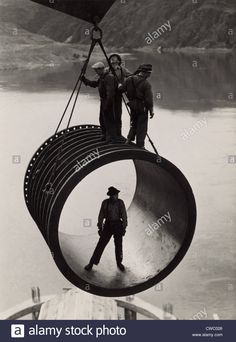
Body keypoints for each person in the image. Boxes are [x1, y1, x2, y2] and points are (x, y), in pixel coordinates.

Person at [84, 186, 128, 272]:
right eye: (114, 195)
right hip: (108, 225)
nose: (116, 196)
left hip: (118, 225)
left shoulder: (120, 202)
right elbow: (101, 215)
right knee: (100, 245)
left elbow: (124, 216)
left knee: (119, 245)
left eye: (116, 195)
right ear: (110, 196)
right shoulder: (105, 203)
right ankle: (91, 263)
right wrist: (100, 227)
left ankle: (119, 263)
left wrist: (124, 227)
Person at [119, 64, 155, 148]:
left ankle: (129, 139)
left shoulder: (129, 79)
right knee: (142, 126)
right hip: (142, 107)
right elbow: (149, 100)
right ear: (145, 73)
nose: (150, 75)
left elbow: (121, 90)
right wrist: (151, 111)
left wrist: (119, 85)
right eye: (149, 73)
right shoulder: (146, 84)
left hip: (132, 105)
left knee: (134, 123)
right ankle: (140, 145)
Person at [81, 62, 117, 143]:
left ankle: (110, 138)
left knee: (108, 120)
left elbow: (110, 93)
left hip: (108, 101)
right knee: (102, 119)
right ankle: (105, 135)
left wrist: (107, 105)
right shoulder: (102, 77)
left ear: (101, 69)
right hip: (103, 101)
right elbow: (95, 84)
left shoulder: (109, 77)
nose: (95, 72)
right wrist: (84, 80)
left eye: (96, 70)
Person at [107, 54, 132, 137]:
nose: (113, 61)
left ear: (118, 61)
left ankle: (118, 133)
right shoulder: (107, 70)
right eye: (112, 60)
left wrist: (123, 85)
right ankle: (110, 133)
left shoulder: (122, 70)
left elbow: (131, 76)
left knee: (118, 113)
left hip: (118, 95)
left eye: (115, 59)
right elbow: (99, 80)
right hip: (109, 96)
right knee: (109, 113)